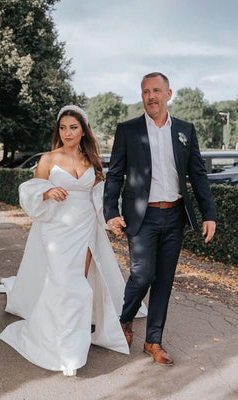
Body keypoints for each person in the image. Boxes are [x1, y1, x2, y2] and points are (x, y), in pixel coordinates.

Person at [0, 105, 147, 377]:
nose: (67, 133)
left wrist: (112, 219)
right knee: (63, 281)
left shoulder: (92, 160)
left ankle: (73, 343)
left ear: (83, 130)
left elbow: (99, 198)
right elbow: (30, 191)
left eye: (73, 127)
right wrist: (48, 191)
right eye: (62, 128)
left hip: (85, 228)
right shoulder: (49, 159)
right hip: (56, 230)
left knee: (78, 284)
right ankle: (59, 342)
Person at [103, 72, 216, 366]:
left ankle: (153, 341)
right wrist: (111, 212)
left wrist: (209, 214)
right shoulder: (128, 130)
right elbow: (115, 173)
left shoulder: (185, 130)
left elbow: (198, 174)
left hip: (175, 215)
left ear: (168, 94)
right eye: (145, 92)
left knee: (164, 280)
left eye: (156, 91)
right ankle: (125, 319)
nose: (150, 97)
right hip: (142, 216)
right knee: (142, 274)